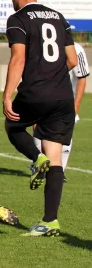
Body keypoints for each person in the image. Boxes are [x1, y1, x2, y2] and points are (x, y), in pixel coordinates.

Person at [3, 0, 78, 237]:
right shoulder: (58, 17)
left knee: (12, 126)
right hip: (62, 97)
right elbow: (72, 60)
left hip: (36, 93)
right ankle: (50, 221)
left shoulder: (18, 19)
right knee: (56, 157)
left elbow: (18, 59)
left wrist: (7, 94)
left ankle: (37, 159)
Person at [34, 42, 89, 178]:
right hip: (44, 97)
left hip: (66, 101)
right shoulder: (40, 47)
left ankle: (59, 172)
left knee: (62, 136)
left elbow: (82, 78)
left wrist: (76, 106)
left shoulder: (77, 49)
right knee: (38, 133)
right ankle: (39, 168)